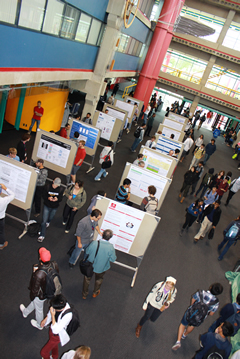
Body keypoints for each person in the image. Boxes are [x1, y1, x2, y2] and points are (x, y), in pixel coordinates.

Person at [172, 283, 223, 351]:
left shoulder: (201, 293)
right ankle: (184, 334)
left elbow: (193, 299)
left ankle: (178, 341)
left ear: (211, 287)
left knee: (183, 324)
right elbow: (211, 314)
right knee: (192, 325)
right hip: (199, 318)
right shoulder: (216, 303)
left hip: (191, 312)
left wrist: (192, 307)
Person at [19, 247, 59, 330]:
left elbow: (35, 289)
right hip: (50, 291)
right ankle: (25, 312)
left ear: (40, 258)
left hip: (41, 295)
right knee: (36, 304)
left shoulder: (39, 274)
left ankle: (39, 324)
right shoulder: (54, 264)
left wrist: (32, 296)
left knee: (39, 309)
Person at [82, 229, 116, 299]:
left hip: (90, 266)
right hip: (101, 268)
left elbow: (87, 251)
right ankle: (95, 293)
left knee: (87, 279)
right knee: (99, 280)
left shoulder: (94, 243)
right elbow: (113, 259)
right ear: (110, 238)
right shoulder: (110, 247)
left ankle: (84, 295)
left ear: (102, 234)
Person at [40, 294, 73, 359]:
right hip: (52, 329)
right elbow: (51, 311)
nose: (51, 308)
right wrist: (46, 319)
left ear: (59, 309)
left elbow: (56, 330)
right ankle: (54, 356)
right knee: (54, 346)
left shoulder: (68, 315)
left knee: (43, 352)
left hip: (57, 335)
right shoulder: (60, 304)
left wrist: (52, 315)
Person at [38, 178, 64, 243]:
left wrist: (57, 199)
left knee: (51, 217)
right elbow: (43, 195)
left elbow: (61, 198)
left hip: (55, 207)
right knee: (44, 220)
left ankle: (48, 222)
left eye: (57, 185)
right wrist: (48, 198)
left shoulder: (60, 189)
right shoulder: (47, 187)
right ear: (53, 182)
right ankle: (42, 235)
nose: (56, 186)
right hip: (47, 205)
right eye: (55, 184)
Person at [0, 183, 14, 250]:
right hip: (1, 218)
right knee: (1, 231)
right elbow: (13, 195)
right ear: (1, 192)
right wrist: (6, 188)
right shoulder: (4, 200)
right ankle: (1, 244)